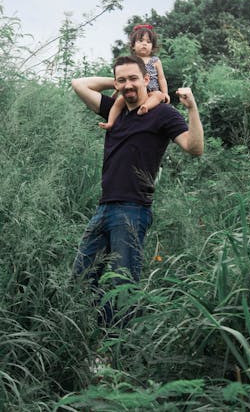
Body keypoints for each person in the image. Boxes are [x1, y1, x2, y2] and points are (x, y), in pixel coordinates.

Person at [71, 54, 203, 327]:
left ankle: (114, 353)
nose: (128, 85)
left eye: (135, 78)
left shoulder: (162, 113)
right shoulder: (114, 112)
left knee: (122, 284)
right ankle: (99, 335)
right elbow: (79, 83)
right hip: (104, 207)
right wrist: (120, 83)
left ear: (147, 79)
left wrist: (192, 109)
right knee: (81, 278)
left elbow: (194, 147)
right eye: (122, 80)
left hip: (133, 209)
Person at [98, 24, 170, 130]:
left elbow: (161, 78)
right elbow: (124, 79)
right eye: (140, 41)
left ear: (153, 46)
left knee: (158, 96)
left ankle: (145, 107)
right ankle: (110, 122)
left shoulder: (155, 61)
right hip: (133, 90)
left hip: (151, 90)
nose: (144, 44)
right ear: (133, 46)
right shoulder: (131, 61)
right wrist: (117, 91)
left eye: (148, 42)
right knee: (119, 102)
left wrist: (165, 93)